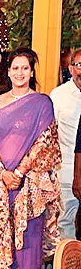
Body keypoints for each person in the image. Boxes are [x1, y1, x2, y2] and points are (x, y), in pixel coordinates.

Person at [0, 47, 61, 269]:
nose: (19, 73)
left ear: (31, 72)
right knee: (3, 236)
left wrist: (19, 172)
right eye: (15, 68)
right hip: (2, 182)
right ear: (7, 72)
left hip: (30, 184)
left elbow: (45, 142)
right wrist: (2, 170)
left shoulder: (42, 103)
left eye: (25, 68)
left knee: (28, 239)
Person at [50, 49, 81, 240]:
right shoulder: (59, 95)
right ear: (70, 69)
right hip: (67, 169)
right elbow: (50, 133)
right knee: (66, 221)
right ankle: (69, 257)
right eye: (79, 65)